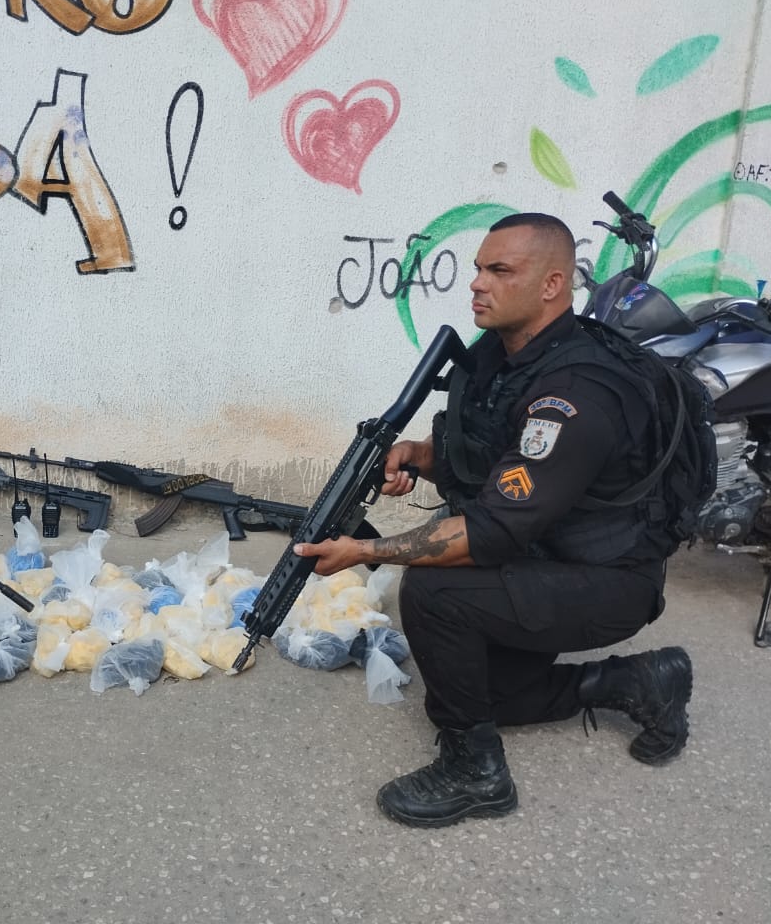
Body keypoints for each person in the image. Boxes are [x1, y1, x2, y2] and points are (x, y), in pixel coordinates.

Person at [295, 212, 692, 828]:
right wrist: (418, 458)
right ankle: (640, 680)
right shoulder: (506, 357)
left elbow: (491, 530)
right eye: (479, 268)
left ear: (552, 285)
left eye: (499, 271)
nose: (478, 283)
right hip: (548, 557)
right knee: (487, 695)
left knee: (432, 587)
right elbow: (492, 467)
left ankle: (475, 773)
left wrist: (366, 551)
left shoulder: (576, 391)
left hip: (607, 580)